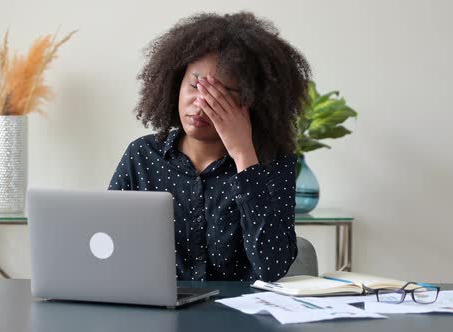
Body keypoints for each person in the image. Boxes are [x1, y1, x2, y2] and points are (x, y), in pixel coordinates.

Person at [108, 11, 311, 282]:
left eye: (221, 95)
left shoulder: (273, 163)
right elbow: (107, 246)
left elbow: (271, 268)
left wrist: (243, 154)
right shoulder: (143, 156)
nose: (200, 103)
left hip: (241, 320)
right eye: (195, 85)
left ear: (253, 103)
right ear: (174, 83)